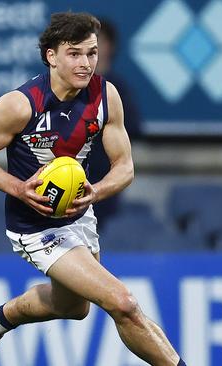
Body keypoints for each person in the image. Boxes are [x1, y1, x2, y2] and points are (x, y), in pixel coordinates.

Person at [0, 12, 186, 366]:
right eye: (75, 54)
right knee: (123, 303)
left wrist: (95, 191)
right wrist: (18, 189)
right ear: (52, 56)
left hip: (79, 215)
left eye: (92, 53)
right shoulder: (20, 104)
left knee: (73, 308)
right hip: (34, 226)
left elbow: (125, 168)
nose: (86, 63)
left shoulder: (105, 96)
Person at [87, 18, 143, 228]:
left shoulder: (117, 89)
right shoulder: (68, 89)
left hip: (104, 183)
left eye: (97, 41)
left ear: (109, 46)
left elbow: (135, 127)